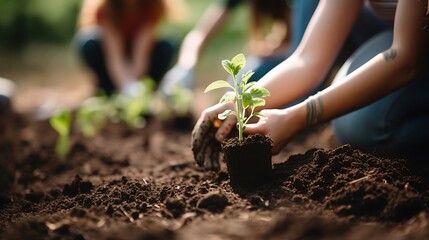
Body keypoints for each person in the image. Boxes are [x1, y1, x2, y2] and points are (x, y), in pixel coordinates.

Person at [192, 0, 429, 171]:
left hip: (414, 46)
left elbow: (406, 59)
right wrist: (237, 104)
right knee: (348, 118)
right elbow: (308, 59)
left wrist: (299, 117)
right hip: (399, 34)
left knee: (361, 127)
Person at [75, 0, 180, 97]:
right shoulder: (105, 8)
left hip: (139, 60)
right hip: (110, 61)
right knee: (89, 43)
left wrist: (135, 85)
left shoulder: (153, 6)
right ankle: (107, 91)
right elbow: (114, 55)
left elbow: (141, 54)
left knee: (166, 46)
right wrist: (126, 86)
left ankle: (149, 90)